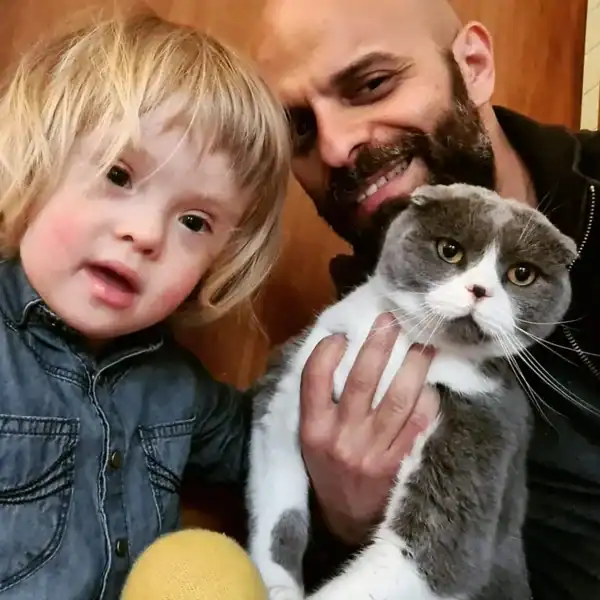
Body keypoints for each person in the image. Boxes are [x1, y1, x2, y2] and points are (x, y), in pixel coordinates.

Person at [247, 0, 600, 599]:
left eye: (371, 85)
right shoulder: (345, 358)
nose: (335, 147)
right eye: (301, 128)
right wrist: (346, 524)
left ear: (474, 65)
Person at [0, 11, 291, 600]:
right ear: (37, 157)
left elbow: (268, 448)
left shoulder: (177, 388)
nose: (147, 233)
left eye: (194, 221)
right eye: (118, 173)